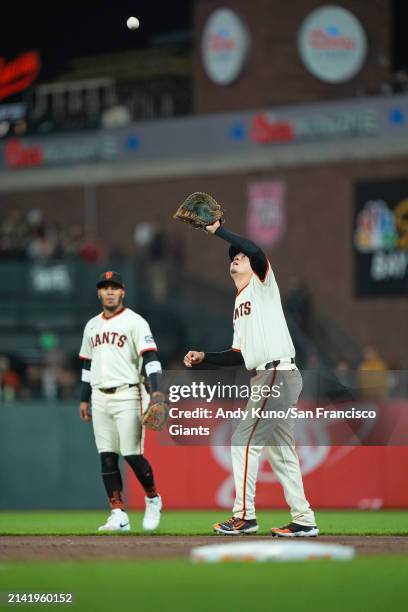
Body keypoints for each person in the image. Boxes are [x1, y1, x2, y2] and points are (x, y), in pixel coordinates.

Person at [184, 222, 318, 537]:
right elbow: (238, 355)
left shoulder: (262, 282)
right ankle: (304, 519)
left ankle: (244, 516)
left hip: (277, 373)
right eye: (234, 256)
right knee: (281, 451)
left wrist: (219, 230)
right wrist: (206, 358)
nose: (238, 257)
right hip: (268, 375)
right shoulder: (239, 304)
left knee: (243, 440)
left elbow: (257, 250)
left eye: (240, 256)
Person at [79, 271, 163, 532]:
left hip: (129, 393)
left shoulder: (135, 322)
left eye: (114, 287)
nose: (110, 292)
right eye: (105, 288)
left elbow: (151, 358)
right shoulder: (91, 325)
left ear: (123, 292)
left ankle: (153, 498)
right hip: (100, 396)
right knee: (106, 457)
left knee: (132, 455)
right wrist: (84, 399)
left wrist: (158, 392)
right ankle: (118, 514)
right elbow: (87, 364)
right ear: (99, 293)